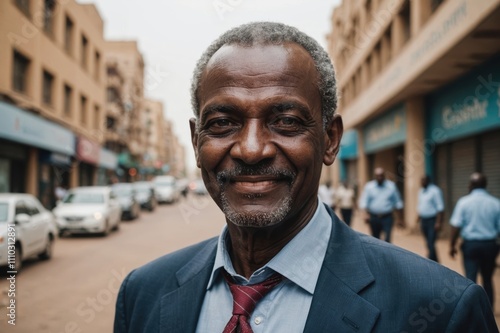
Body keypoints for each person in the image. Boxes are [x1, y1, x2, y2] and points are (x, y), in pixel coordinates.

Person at [114, 22, 497, 333]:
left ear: (329, 140)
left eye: (286, 122)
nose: (251, 149)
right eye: (223, 123)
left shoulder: (443, 310)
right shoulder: (143, 294)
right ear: (197, 143)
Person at [449, 172, 500, 308]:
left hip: (471, 246)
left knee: (470, 280)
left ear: (471, 185)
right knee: (488, 278)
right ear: (485, 185)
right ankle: (489, 309)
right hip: (490, 246)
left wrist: (452, 246)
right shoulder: (495, 203)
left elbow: (455, 226)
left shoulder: (464, 202)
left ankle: (472, 310)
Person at [359, 168, 405, 243]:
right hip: (374, 217)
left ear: (384, 176)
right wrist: (365, 215)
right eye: (377, 176)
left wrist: (400, 219)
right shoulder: (369, 187)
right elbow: (364, 201)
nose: (379, 177)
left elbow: (398, 203)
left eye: (381, 175)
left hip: (387, 217)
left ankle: (387, 254)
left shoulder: (391, 186)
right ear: (375, 176)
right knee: (375, 239)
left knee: (387, 239)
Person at [416, 175, 444, 262]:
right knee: (428, 242)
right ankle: (436, 261)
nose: (421, 183)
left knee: (431, 242)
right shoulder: (421, 191)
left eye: (423, 181)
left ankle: (429, 261)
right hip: (424, 220)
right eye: (421, 181)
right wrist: (418, 217)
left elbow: (440, 207)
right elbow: (421, 205)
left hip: (432, 220)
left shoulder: (435, 191)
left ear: (428, 181)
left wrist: (438, 222)